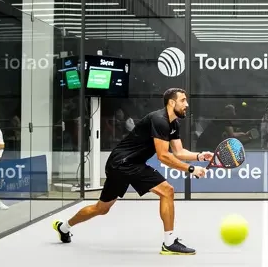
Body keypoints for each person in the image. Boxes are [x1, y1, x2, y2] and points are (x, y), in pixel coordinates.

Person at [52, 88, 209, 255]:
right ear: (172, 102)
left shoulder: (173, 123)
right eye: (183, 100)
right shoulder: (159, 120)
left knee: (101, 208)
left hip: (126, 163)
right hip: (123, 163)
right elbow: (163, 156)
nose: (187, 104)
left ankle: (63, 227)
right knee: (167, 191)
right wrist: (190, 169)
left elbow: (178, 152)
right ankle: (169, 243)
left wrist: (200, 156)